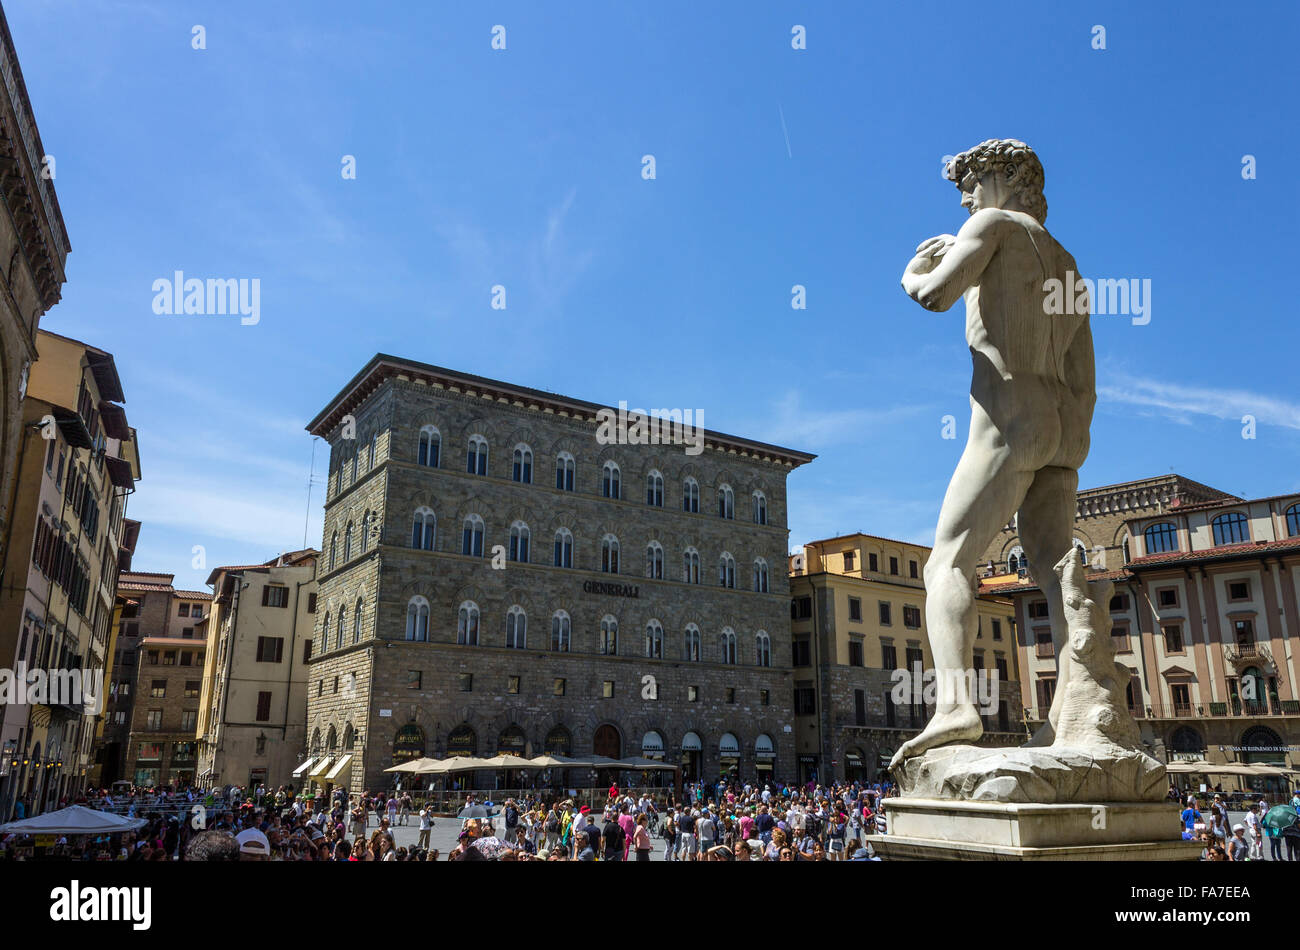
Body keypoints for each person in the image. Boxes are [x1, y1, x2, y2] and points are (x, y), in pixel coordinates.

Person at [895, 139, 1094, 763]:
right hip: (1065, 426)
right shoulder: (1068, 263)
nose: (964, 197)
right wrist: (1072, 434)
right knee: (1053, 568)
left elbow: (934, 296)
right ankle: (1073, 707)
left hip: (1009, 418)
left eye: (972, 182)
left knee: (947, 564)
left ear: (1007, 178)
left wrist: (912, 271)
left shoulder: (991, 226)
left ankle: (954, 706)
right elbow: (1085, 374)